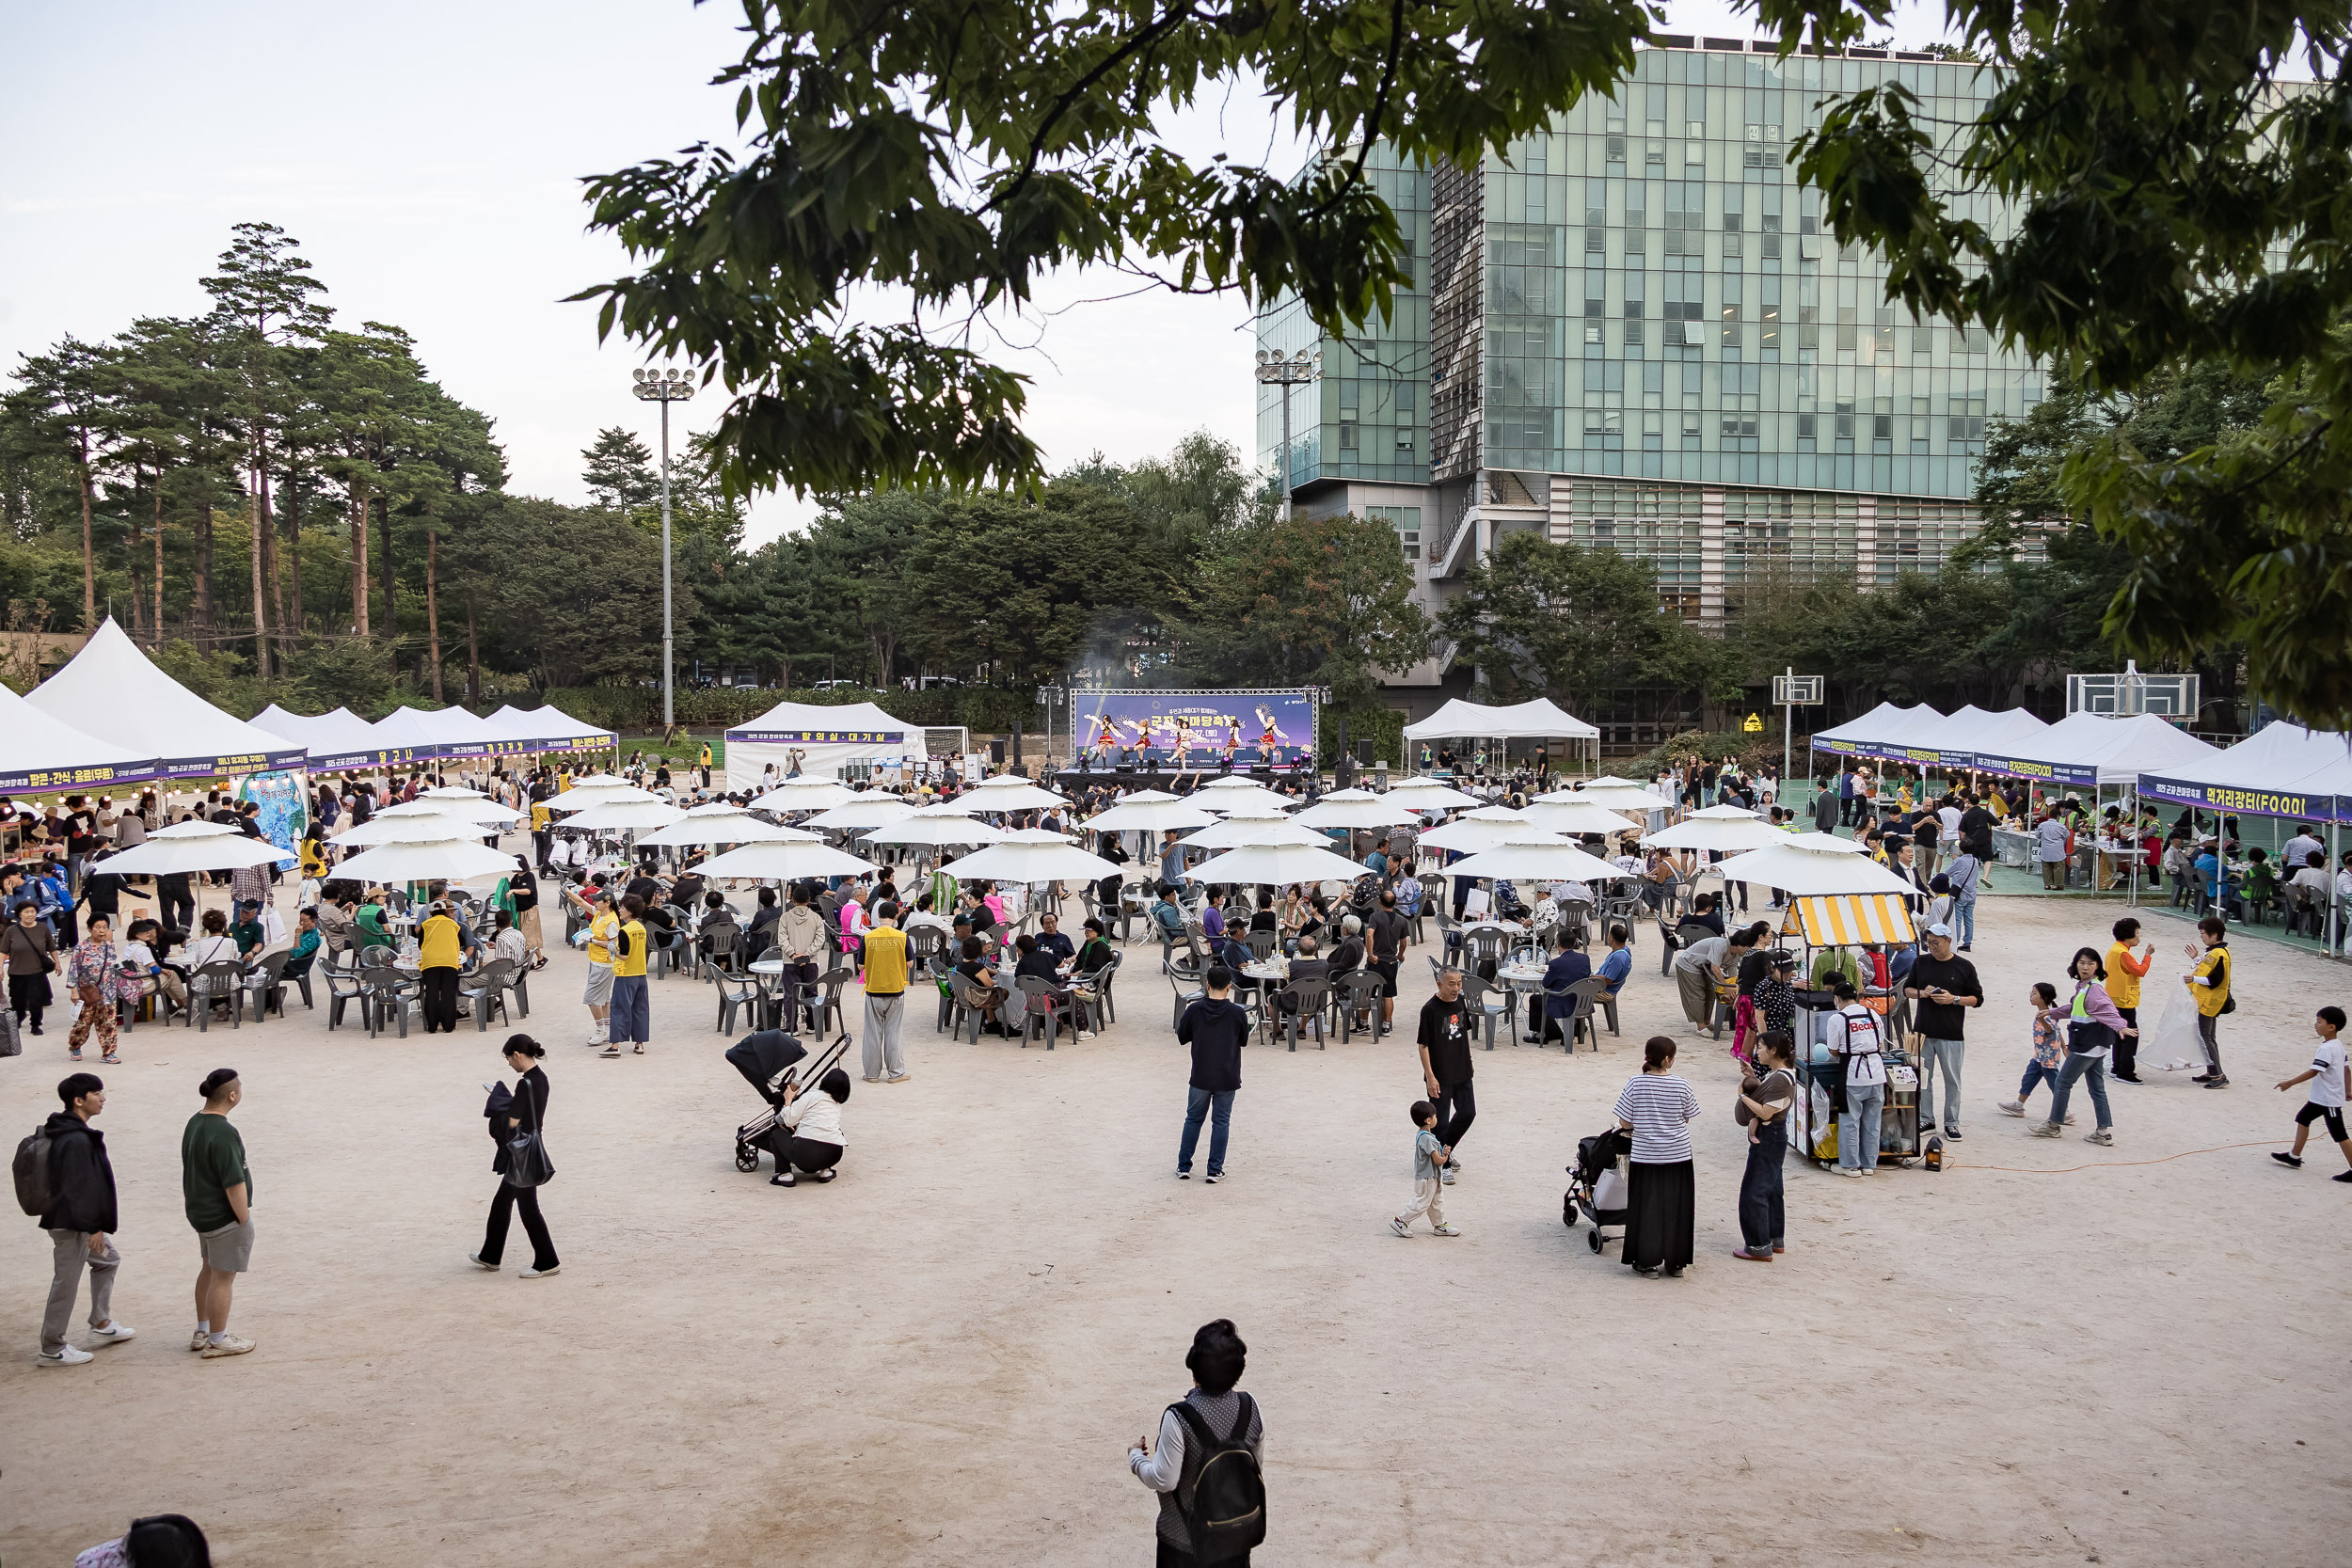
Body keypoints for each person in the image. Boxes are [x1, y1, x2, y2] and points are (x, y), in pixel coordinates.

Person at [1127, 1319, 1264, 1567]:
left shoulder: (1179, 1417)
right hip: (1234, 1540)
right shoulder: (1250, 1408)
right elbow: (1254, 1468)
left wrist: (1136, 1458)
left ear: (1195, 1367)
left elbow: (1164, 1480)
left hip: (1183, 1543)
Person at [36, 1071, 134, 1367]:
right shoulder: (75, 1139)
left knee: (108, 1260)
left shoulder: (67, 1129)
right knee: (66, 1282)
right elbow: (77, 1187)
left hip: (76, 1220)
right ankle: (52, 1348)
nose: (103, 1098)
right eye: (97, 1093)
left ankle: (101, 1323)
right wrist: (92, 1227)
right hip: (72, 1223)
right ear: (79, 1101)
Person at [469, 1036, 559, 1276]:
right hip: (529, 1148)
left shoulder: (524, 1083)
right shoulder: (541, 1079)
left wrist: (497, 1101)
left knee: (528, 1209)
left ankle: (547, 1262)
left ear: (518, 1055)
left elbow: (513, 1120)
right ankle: (491, 1255)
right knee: (503, 1203)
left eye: (509, 1058)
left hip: (521, 1153)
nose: (510, 1064)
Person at [183, 1067, 256, 1358]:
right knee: (223, 1278)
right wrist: (243, 1219)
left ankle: (202, 1329)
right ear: (233, 1095)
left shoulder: (194, 1122)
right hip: (224, 1216)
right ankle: (218, 1339)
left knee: (209, 1269)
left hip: (200, 1212)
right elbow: (234, 1181)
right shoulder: (224, 1132)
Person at [1613, 1036, 1702, 1276]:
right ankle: (1676, 1262)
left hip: (1646, 1156)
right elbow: (1688, 1114)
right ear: (1667, 1060)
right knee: (1678, 1208)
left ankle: (1647, 1260)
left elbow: (1624, 1121)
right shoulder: (1682, 1085)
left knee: (1647, 1207)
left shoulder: (1635, 1083)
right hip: (1679, 1155)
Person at [1903, 922, 1981, 1141]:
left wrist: (1953, 999)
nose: (1932, 947)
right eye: (1929, 943)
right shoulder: (1921, 962)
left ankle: (1952, 1123)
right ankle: (1926, 1118)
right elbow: (1907, 990)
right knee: (1923, 1078)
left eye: (1936, 943)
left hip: (1952, 1032)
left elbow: (1977, 999)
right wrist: (1923, 994)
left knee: (1952, 1080)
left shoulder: (1964, 967)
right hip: (1923, 1032)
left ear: (1949, 941)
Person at [1175, 964, 1251, 1182]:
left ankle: (1184, 1166)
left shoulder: (1194, 1009)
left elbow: (1182, 1036)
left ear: (1206, 985)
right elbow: (1243, 1041)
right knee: (1221, 1122)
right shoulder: (1237, 1012)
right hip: (1227, 1075)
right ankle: (1214, 1169)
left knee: (1193, 1120)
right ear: (1229, 987)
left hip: (1201, 1073)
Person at [1732, 1029, 1797, 1261]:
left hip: (1770, 1136)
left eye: (1761, 1048)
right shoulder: (1779, 1074)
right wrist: (1753, 1079)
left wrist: (1743, 1096)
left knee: (1755, 1190)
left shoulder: (1780, 1078)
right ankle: (1774, 1237)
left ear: (1773, 1050)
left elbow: (1766, 1110)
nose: (1757, 1051)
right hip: (1774, 1135)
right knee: (1772, 1188)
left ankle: (1759, 1245)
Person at [2272, 1006, 2352, 1180]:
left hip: (2328, 1100)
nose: (2315, 1025)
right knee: (2303, 1118)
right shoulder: (2337, 1045)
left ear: (2331, 1027)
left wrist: (2290, 1082)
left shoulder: (2327, 1049)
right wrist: (2348, 1090)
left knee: (2339, 1134)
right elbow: (2347, 1069)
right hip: (2321, 1098)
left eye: (2319, 1022)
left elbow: (2314, 1071)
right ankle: (2294, 1156)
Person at [1416, 967, 1474, 1182]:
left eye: (1459, 983)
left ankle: (1443, 1152)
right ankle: (1444, 1163)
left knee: (1468, 1113)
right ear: (1439, 984)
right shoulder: (1429, 1010)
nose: (1456, 988)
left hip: (1462, 1071)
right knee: (1439, 1123)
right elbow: (1423, 1046)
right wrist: (1430, 1076)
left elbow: (1463, 1037)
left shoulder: (1460, 1002)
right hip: (1440, 1075)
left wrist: (1469, 1062)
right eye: (1451, 984)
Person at [1824, 977, 1886, 1177]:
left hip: (1853, 1075)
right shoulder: (1873, 1015)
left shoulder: (1837, 1019)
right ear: (1857, 996)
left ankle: (1850, 1165)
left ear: (1837, 999)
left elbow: (1833, 1051)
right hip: (1877, 1074)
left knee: (1850, 1121)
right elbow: (1881, 1043)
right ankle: (1869, 1164)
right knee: (1873, 1122)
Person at [1997, 983, 2075, 1125]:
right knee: (2029, 1078)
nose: (2030, 996)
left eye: (2034, 993)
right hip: (2039, 1056)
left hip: (2048, 1059)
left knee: (2055, 1085)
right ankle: (2019, 1105)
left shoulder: (2047, 1015)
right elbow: (2057, 1031)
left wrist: (2042, 1020)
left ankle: (2064, 1112)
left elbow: (2050, 1030)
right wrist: (2064, 1047)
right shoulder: (2047, 1013)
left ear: (2044, 998)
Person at [63, 914, 135, 1066]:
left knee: (108, 1024)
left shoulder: (110, 946)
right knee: (82, 1023)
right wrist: (74, 991)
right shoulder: (80, 948)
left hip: (108, 993)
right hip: (87, 993)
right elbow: (73, 971)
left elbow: (112, 969)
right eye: (98, 927)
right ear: (90, 929)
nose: (102, 931)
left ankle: (109, 1052)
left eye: (104, 927)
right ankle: (75, 1046)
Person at [770, 1066, 851, 1187]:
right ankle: (826, 1171)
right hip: (834, 1154)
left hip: (806, 1153)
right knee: (834, 1131)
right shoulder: (837, 1105)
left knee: (776, 1134)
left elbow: (789, 1121)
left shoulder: (811, 1096)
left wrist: (788, 1100)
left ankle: (785, 1175)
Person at [861, 900, 913, 1083]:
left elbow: (860, 965)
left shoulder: (868, 937)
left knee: (872, 1034)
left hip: (874, 989)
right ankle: (896, 1072)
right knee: (894, 1033)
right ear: (896, 916)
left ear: (878, 916)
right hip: (896, 989)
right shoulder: (902, 937)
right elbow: (910, 963)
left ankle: (872, 1074)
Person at [1391, 1100, 1460, 1236]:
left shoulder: (1422, 1135)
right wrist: (1445, 1156)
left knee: (1436, 1201)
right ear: (1429, 1120)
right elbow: (1438, 1160)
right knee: (1422, 1202)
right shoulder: (1428, 1139)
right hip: (1427, 1178)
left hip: (1432, 1177)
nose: (1436, 1119)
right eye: (1435, 1116)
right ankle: (1401, 1220)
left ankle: (1439, 1225)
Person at [2102, 917, 2153, 1082]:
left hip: (2114, 997)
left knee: (2119, 1034)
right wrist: (2148, 956)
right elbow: (2140, 971)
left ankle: (2117, 1068)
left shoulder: (2114, 949)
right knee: (2130, 1035)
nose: (2139, 937)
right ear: (2128, 935)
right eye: (2137, 933)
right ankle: (2125, 1072)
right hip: (2124, 999)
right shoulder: (2123, 953)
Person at [2185, 915, 2233, 1088]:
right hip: (2206, 1001)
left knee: (2206, 1037)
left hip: (2210, 1002)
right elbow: (2206, 967)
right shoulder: (2215, 952)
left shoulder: (2219, 954)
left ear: (2214, 935)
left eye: (2203, 933)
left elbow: (2214, 980)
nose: (2201, 936)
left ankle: (2218, 1075)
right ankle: (2212, 1071)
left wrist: (2194, 978)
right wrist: (2195, 958)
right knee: (2208, 1037)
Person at [602, 894, 651, 1058]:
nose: (620, 910)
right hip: (641, 973)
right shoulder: (642, 928)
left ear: (629, 911)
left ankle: (615, 1045)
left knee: (618, 1009)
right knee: (640, 1008)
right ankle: (639, 1043)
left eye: (622, 908)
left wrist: (612, 948)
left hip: (626, 974)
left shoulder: (625, 931)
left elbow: (624, 955)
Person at [5, 899, 59, 1037]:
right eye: (26, 912)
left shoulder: (43, 929)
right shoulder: (11, 931)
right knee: (17, 1000)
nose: (30, 915)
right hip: (17, 972)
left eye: (33, 912)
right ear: (19, 914)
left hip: (37, 971)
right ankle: (19, 1017)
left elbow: (51, 948)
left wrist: (57, 963)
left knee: (36, 1000)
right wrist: (0, 968)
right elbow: (3, 951)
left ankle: (35, 1024)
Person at [1534, 927, 1590, 1045]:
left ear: (1558, 943)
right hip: (1582, 1002)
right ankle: (1574, 1027)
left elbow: (1546, 984)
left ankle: (1541, 1035)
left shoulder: (1556, 963)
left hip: (1563, 1003)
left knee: (1535, 999)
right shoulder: (1585, 959)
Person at [417, 900, 465, 1034]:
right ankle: (448, 1025)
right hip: (449, 961)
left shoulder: (425, 925)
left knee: (431, 992)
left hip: (430, 962)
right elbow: (462, 941)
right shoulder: (453, 924)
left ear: (431, 912)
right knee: (448, 993)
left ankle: (432, 1026)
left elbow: (420, 944)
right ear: (445, 911)